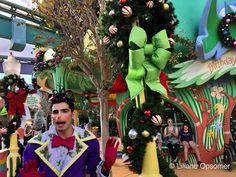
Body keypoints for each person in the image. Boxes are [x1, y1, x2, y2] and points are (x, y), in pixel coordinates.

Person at [19, 91, 119, 177]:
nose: (59, 116)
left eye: (64, 111)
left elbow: (93, 173)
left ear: (72, 113)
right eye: (55, 112)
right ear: (52, 116)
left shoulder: (89, 141)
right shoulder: (35, 144)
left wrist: (106, 166)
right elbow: (24, 171)